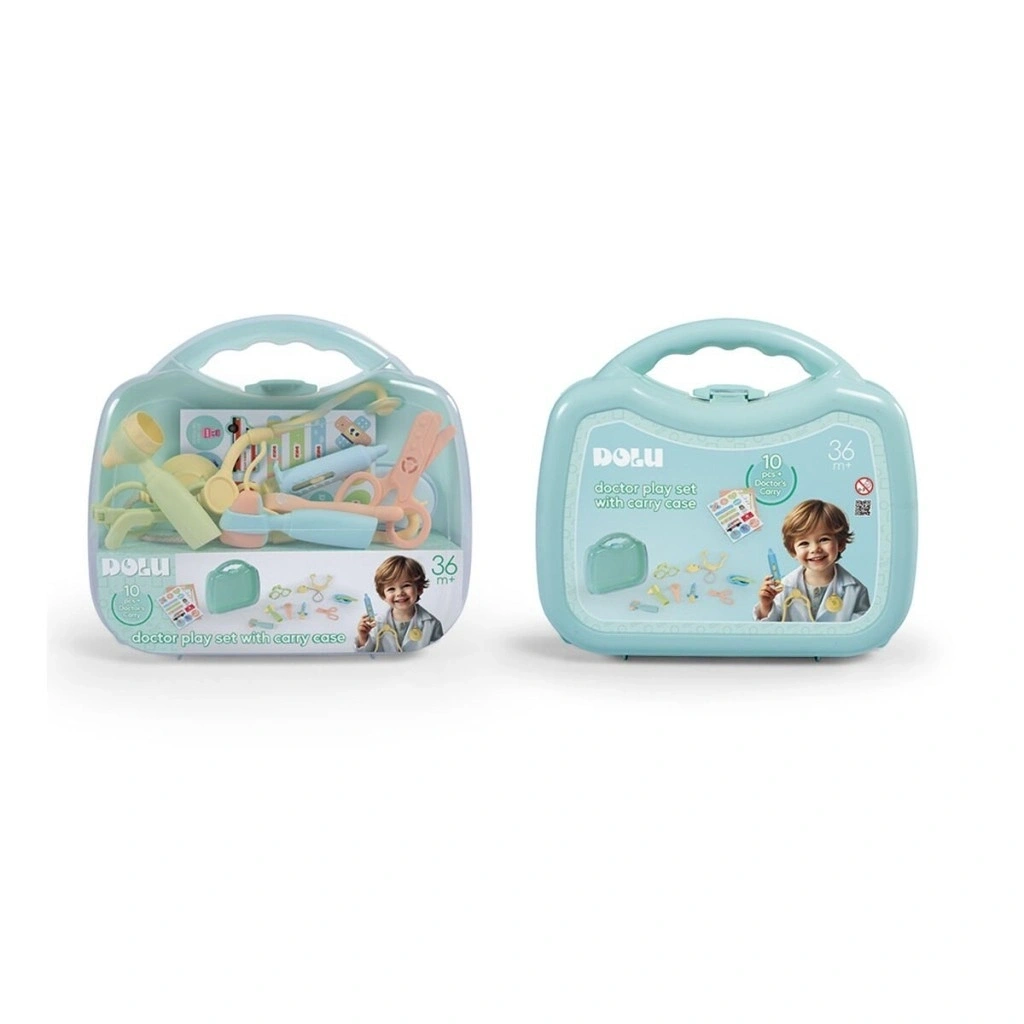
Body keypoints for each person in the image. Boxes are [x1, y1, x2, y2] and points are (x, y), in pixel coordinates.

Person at [755, 499, 870, 623]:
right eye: (804, 543)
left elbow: (863, 629)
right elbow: (771, 627)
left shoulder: (856, 590)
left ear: (840, 544)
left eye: (824, 539)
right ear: (793, 551)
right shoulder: (785, 587)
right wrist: (766, 605)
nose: (815, 549)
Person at [356, 555, 444, 652]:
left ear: (419, 588)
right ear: (383, 595)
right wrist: (363, 637)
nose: (399, 593)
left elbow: (438, 656)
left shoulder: (432, 624)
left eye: (406, 585)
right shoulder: (376, 624)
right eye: (391, 589)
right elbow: (365, 656)